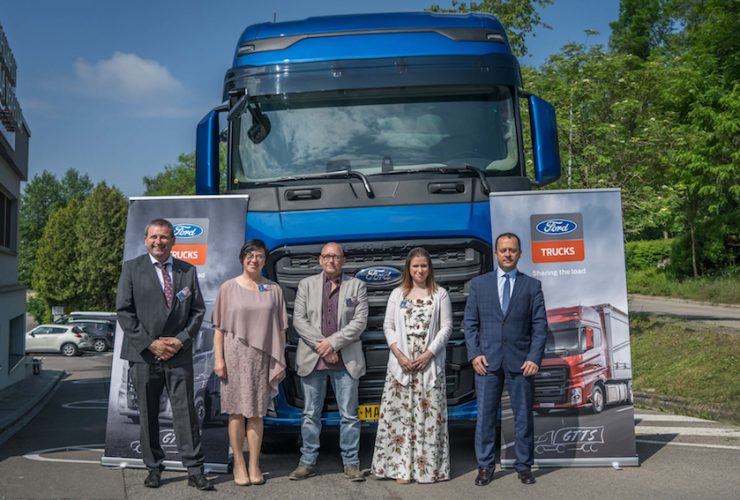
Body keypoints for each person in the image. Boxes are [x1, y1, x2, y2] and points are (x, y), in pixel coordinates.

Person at [116, 218, 214, 491]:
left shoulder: (187, 270)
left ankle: (195, 470)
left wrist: (180, 340)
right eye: (154, 237)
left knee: (186, 413)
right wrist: (151, 343)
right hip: (144, 355)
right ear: (145, 240)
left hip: (178, 354)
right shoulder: (131, 269)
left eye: (164, 237)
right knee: (147, 414)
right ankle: (153, 468)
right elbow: (124, 312)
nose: (158, 242)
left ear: (173, 241)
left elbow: (197, 311)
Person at [463, 232, 548, 486]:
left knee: (523, 417)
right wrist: (474, 353)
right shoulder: (479, 285)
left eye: (512, 250)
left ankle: (524, 466)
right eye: (503, 250)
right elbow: (470, 323)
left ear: (519, 254)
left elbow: (540, 326)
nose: (508, 254)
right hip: (487, 362)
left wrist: (534, 357)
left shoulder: (532, 286)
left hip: (521, 363)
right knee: (485, 417)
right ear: (496, 253)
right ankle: (485, 467)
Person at [288, 242, 368, 482]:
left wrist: (332, 344)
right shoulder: (306, 285)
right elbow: (299, 320)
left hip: (346, 362)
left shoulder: (357, 285)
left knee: (349, 416)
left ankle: (351, 463)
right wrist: (323, 348)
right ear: (320, 260)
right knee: (310, 414)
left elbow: (359, 322)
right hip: (313, 361)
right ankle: (307, 462)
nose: (331, 260)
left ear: (343, 260)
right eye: (327, 256)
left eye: (336, 256)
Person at [371, 247, 452, 484]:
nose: (419, 270)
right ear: (408, 268)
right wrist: (398, 354)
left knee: (429, 418)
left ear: (429, 268)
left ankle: (427, 471)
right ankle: (401, 470)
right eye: (415, 266)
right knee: (400, 418)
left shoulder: (440, 294)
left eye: (423, 265)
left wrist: (429, 354)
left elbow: (446, 328)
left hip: (429, 363)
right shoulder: (398, 294)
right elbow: (388, 326)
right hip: (402, 363)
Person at [212, 240, 287, 486]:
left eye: (259, 256)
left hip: (262, 359)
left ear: (265, 260)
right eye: (250, 255)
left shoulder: (274, 289)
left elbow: (281, 329)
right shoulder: (227, 288)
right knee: (236, 412)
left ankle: (254, 464)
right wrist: (219, 359)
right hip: (234, 356)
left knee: (256, 413)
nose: (254, 259)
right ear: (242, 258)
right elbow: (219, 329)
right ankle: (239, 463)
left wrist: (279, 358)